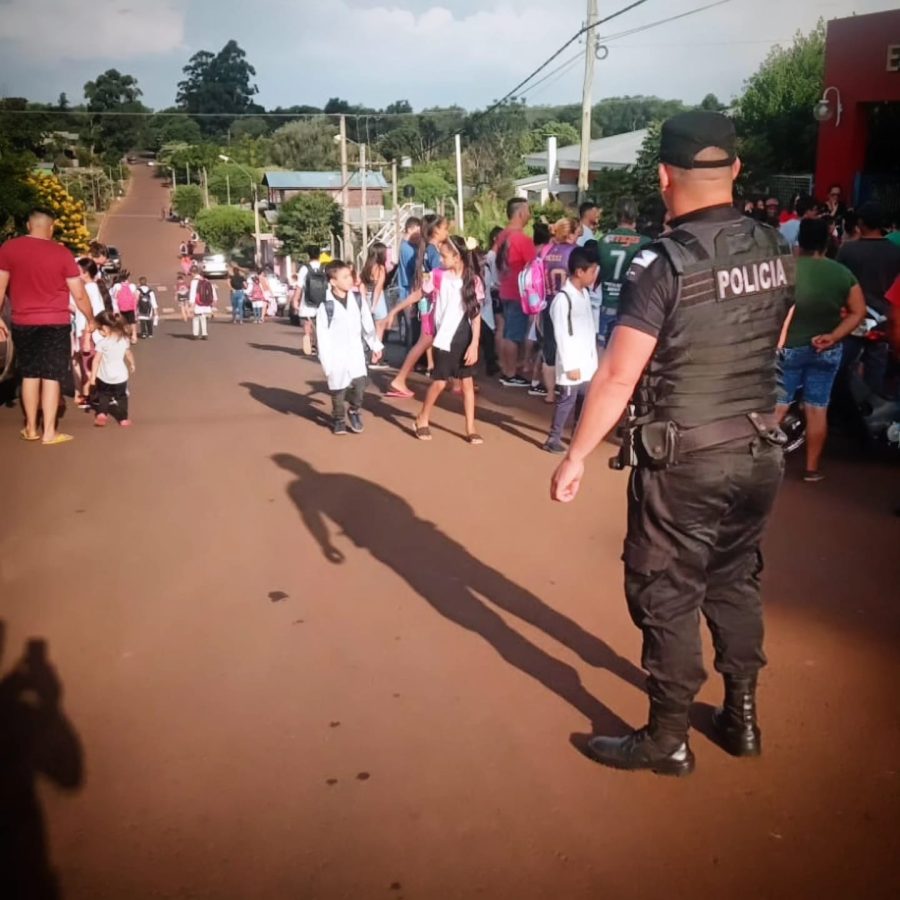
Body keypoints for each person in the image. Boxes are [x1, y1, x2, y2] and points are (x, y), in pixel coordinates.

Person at [551, 111, 795, 776]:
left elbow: (620, 374)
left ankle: (667, 738)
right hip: (759, 450)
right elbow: (773, 339)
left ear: (664, 177)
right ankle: (741, 718)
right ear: (736, 171)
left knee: (666, 589)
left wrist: (574, 456)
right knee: (735, 580)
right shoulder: (776, 249)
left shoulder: (660, 263)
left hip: (685, 460)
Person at [776, 218, 865, 481]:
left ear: (799, 241)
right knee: (817, 408)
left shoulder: (785, 269)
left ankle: (762, 466)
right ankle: (812, 469)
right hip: (825, 350)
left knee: (778, 407)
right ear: (827, 242)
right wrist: (833, 336)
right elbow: (857, 312)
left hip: (788, 348)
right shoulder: (841, 273)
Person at [0, 208, 95, 444]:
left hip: (23, 322)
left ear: (29, 226)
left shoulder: (9, 249)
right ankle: (49, 432)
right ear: (50, 227)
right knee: (51, 376)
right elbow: (79, 293)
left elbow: (0, 287)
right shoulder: (62, 253)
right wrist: (91, 320)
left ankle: (31, 428)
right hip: (55, 323)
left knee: (30, 374)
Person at [412, 236, 484, 444]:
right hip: (444, 337)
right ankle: (422, 418)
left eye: (444, 255)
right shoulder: (437, 276)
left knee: (467, 383)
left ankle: (470, 427)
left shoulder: (473, 280)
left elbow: (475, 315)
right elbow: (420, 295)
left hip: (465, 336)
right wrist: (396, 311)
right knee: (440, 382)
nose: (440, 259)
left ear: (457, 257)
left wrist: (474, 344)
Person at [836, 201, 900, 396]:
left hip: (852, 319)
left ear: (860, 223)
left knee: (843, 370)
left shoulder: (848, 250)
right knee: (876, 371)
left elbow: (838, 284)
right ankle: (873, 412)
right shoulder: (895, 251)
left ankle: (843, 410)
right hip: (882, 320)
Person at [316, 260, 383, 435]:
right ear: (333, 281)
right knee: (338, 390)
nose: (350, 280)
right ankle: (338, 418)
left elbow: (367, 325)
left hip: (356, 352)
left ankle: (354, 410)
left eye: (350, 276)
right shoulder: (326, 306)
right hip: (335, 355)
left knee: (360, 385)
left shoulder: (358, 300)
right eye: (344, 277)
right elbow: (322, 337)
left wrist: (375, 346)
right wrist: (326, 363)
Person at [542, 247, 600, 453]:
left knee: (584, 401)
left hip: (587, 363)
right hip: (572, 364)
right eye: (592, 271)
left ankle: (577, 435)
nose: (595, 276)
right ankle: (553, 438)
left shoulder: (584, 294)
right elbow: (562, 335)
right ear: (579, 272)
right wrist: (570, 365)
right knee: (566, 401)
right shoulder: (562, 300)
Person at [384, 214, 449, 397]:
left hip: (426, 301)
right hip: (432, 303)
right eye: (445, 228)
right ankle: (401, 379)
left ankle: (444, 375)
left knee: (426, 340)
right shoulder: (434, 252)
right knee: (426, 340)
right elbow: (438, 279)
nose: (447, 232)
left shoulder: (425, 249)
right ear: (436, 231)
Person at [532, 217, 579, 402]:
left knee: (549, 349)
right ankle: (567, 390)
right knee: (569, 347)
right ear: (571, 233)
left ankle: (550, 393)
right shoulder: (575, 252)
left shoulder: (545, 251)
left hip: (548, 303)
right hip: (568, 304)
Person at [596, 198, 651, 349]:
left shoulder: (603, 241)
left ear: (616, 216)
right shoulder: (645, 243)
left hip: (606, 304)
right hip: (631, 307)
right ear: (635, 216)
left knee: (603, 351)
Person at [493, 199, 536, 387]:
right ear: (520, 213)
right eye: (527, 210)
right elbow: (535, 267)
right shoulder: (521, 239)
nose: (529, 214)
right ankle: (510, 373)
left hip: (504, 289)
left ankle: (506, 368)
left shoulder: (503, 235)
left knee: (506, 331)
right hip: (518, 293)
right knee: (513, 334)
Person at [89, 310, 135, 427]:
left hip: (104, 375)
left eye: (99, 329)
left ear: (105, 328)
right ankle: (123, 419)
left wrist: (93, 377)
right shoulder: (124, 340)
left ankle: (102, 414)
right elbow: (128, 353)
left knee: (103, 395)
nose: (98, 332)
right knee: (122, 397)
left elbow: (96, 360)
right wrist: (132, 364)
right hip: (120, 376)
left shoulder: (102, 343)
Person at [361, 241, 390, 360]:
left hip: (367, 295)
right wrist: (374, 305)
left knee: (367, 326)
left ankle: (368, 352)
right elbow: (378, 288)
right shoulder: (381, 268)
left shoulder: (366, 266)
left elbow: (361, 284)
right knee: (380, 326)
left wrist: (364, 300)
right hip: (378, 299)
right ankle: (376, 354)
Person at [294, 247, 323, 355]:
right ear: (319, 254)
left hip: (307, 299)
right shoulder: (324, 268)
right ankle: (317, 344)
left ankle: (308, 337)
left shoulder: (304, 268)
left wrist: (295, 299)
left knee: (307, 321)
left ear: (308, 255)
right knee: (320, 322)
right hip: (321, 300)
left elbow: (299, 286)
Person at [188, 266, 216, 340]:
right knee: (203, 317)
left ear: (193, 272)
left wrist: (191, 304)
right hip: (205, 302)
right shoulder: (206, 280)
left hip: (198, 302)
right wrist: (213, 300)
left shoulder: (194, 281)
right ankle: (204, 333)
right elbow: (212, 290)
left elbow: (193, 293)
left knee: (196, 318)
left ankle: (196, 334)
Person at [113, 272, 138, 344]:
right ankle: (134, 336)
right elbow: (135, 297)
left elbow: (115, 297)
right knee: (132, 322)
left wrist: (115, 308)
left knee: (123, 323)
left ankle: (125, 337)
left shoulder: (117, 286)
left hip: (121, 307)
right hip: (131, 307)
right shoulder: (132, 286)